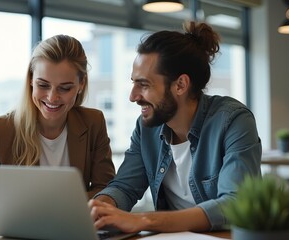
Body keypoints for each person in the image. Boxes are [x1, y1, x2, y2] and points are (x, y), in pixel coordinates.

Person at [89, 22, 262, 233]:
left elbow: (235, 203)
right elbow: (124, 187)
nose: (133, 96)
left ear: (180, 85)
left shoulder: (233, 120)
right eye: (133, 83)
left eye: (143, 85)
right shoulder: (146, 128)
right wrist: (103, 206)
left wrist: (146, 221)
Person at [0, 34, 115, 222]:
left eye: (65, 88)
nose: (52, 98)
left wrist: (58, 208)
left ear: (81, 84)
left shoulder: (93, 122)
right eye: (43, 85)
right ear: (30, 79)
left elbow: (107, 190)